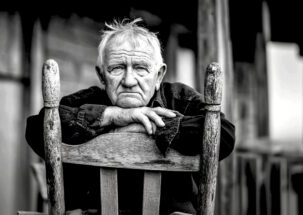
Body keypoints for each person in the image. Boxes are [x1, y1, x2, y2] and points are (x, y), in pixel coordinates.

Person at [26, 18, 235, 215]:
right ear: (101, 76)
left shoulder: (180, 99)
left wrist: (149, 125)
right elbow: (37, 128)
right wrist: (112, 116)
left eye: (140, 68)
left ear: (159, 75)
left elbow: (224, 135)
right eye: (117, 68)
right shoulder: (86, 100)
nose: (129, 80)